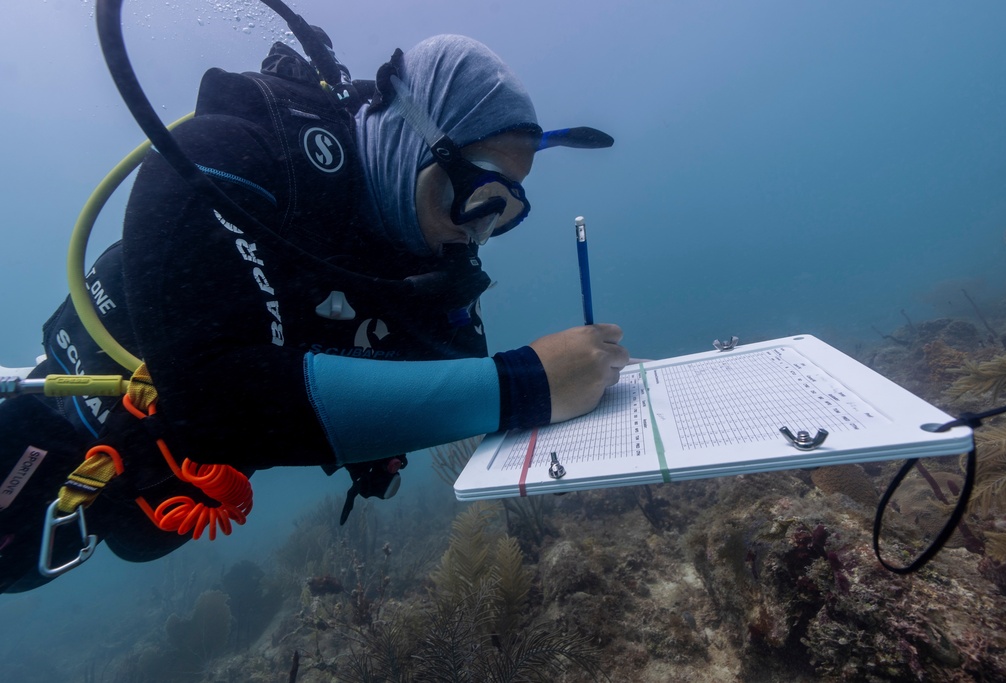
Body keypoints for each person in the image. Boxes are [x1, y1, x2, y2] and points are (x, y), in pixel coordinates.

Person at [0, 32, 627, 593]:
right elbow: (211, 397)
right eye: (477, 194)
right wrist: (524, 385)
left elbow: (449, 377)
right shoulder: (229, 153)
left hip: (121, 511)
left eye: (503, 213)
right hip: (44, 438)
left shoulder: (420, 268)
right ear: (417, 140)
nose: (478, 231)